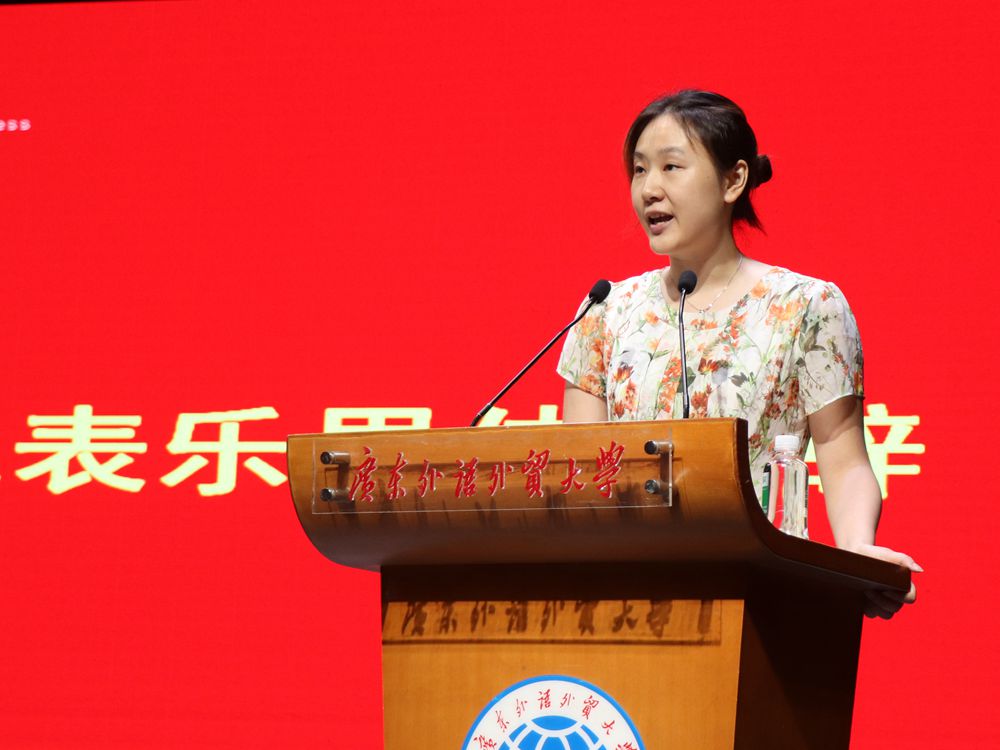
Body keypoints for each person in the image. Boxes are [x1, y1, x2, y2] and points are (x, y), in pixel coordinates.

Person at [557, 90, 919, 619]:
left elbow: (843, 461)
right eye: (639, 170)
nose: (649, 189)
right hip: (624, 600)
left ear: (734, 180)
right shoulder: (606, 309)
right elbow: (580, 472)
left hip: (762, 595)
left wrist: (857, 548)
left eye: (671, 166)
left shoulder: (806, 305)